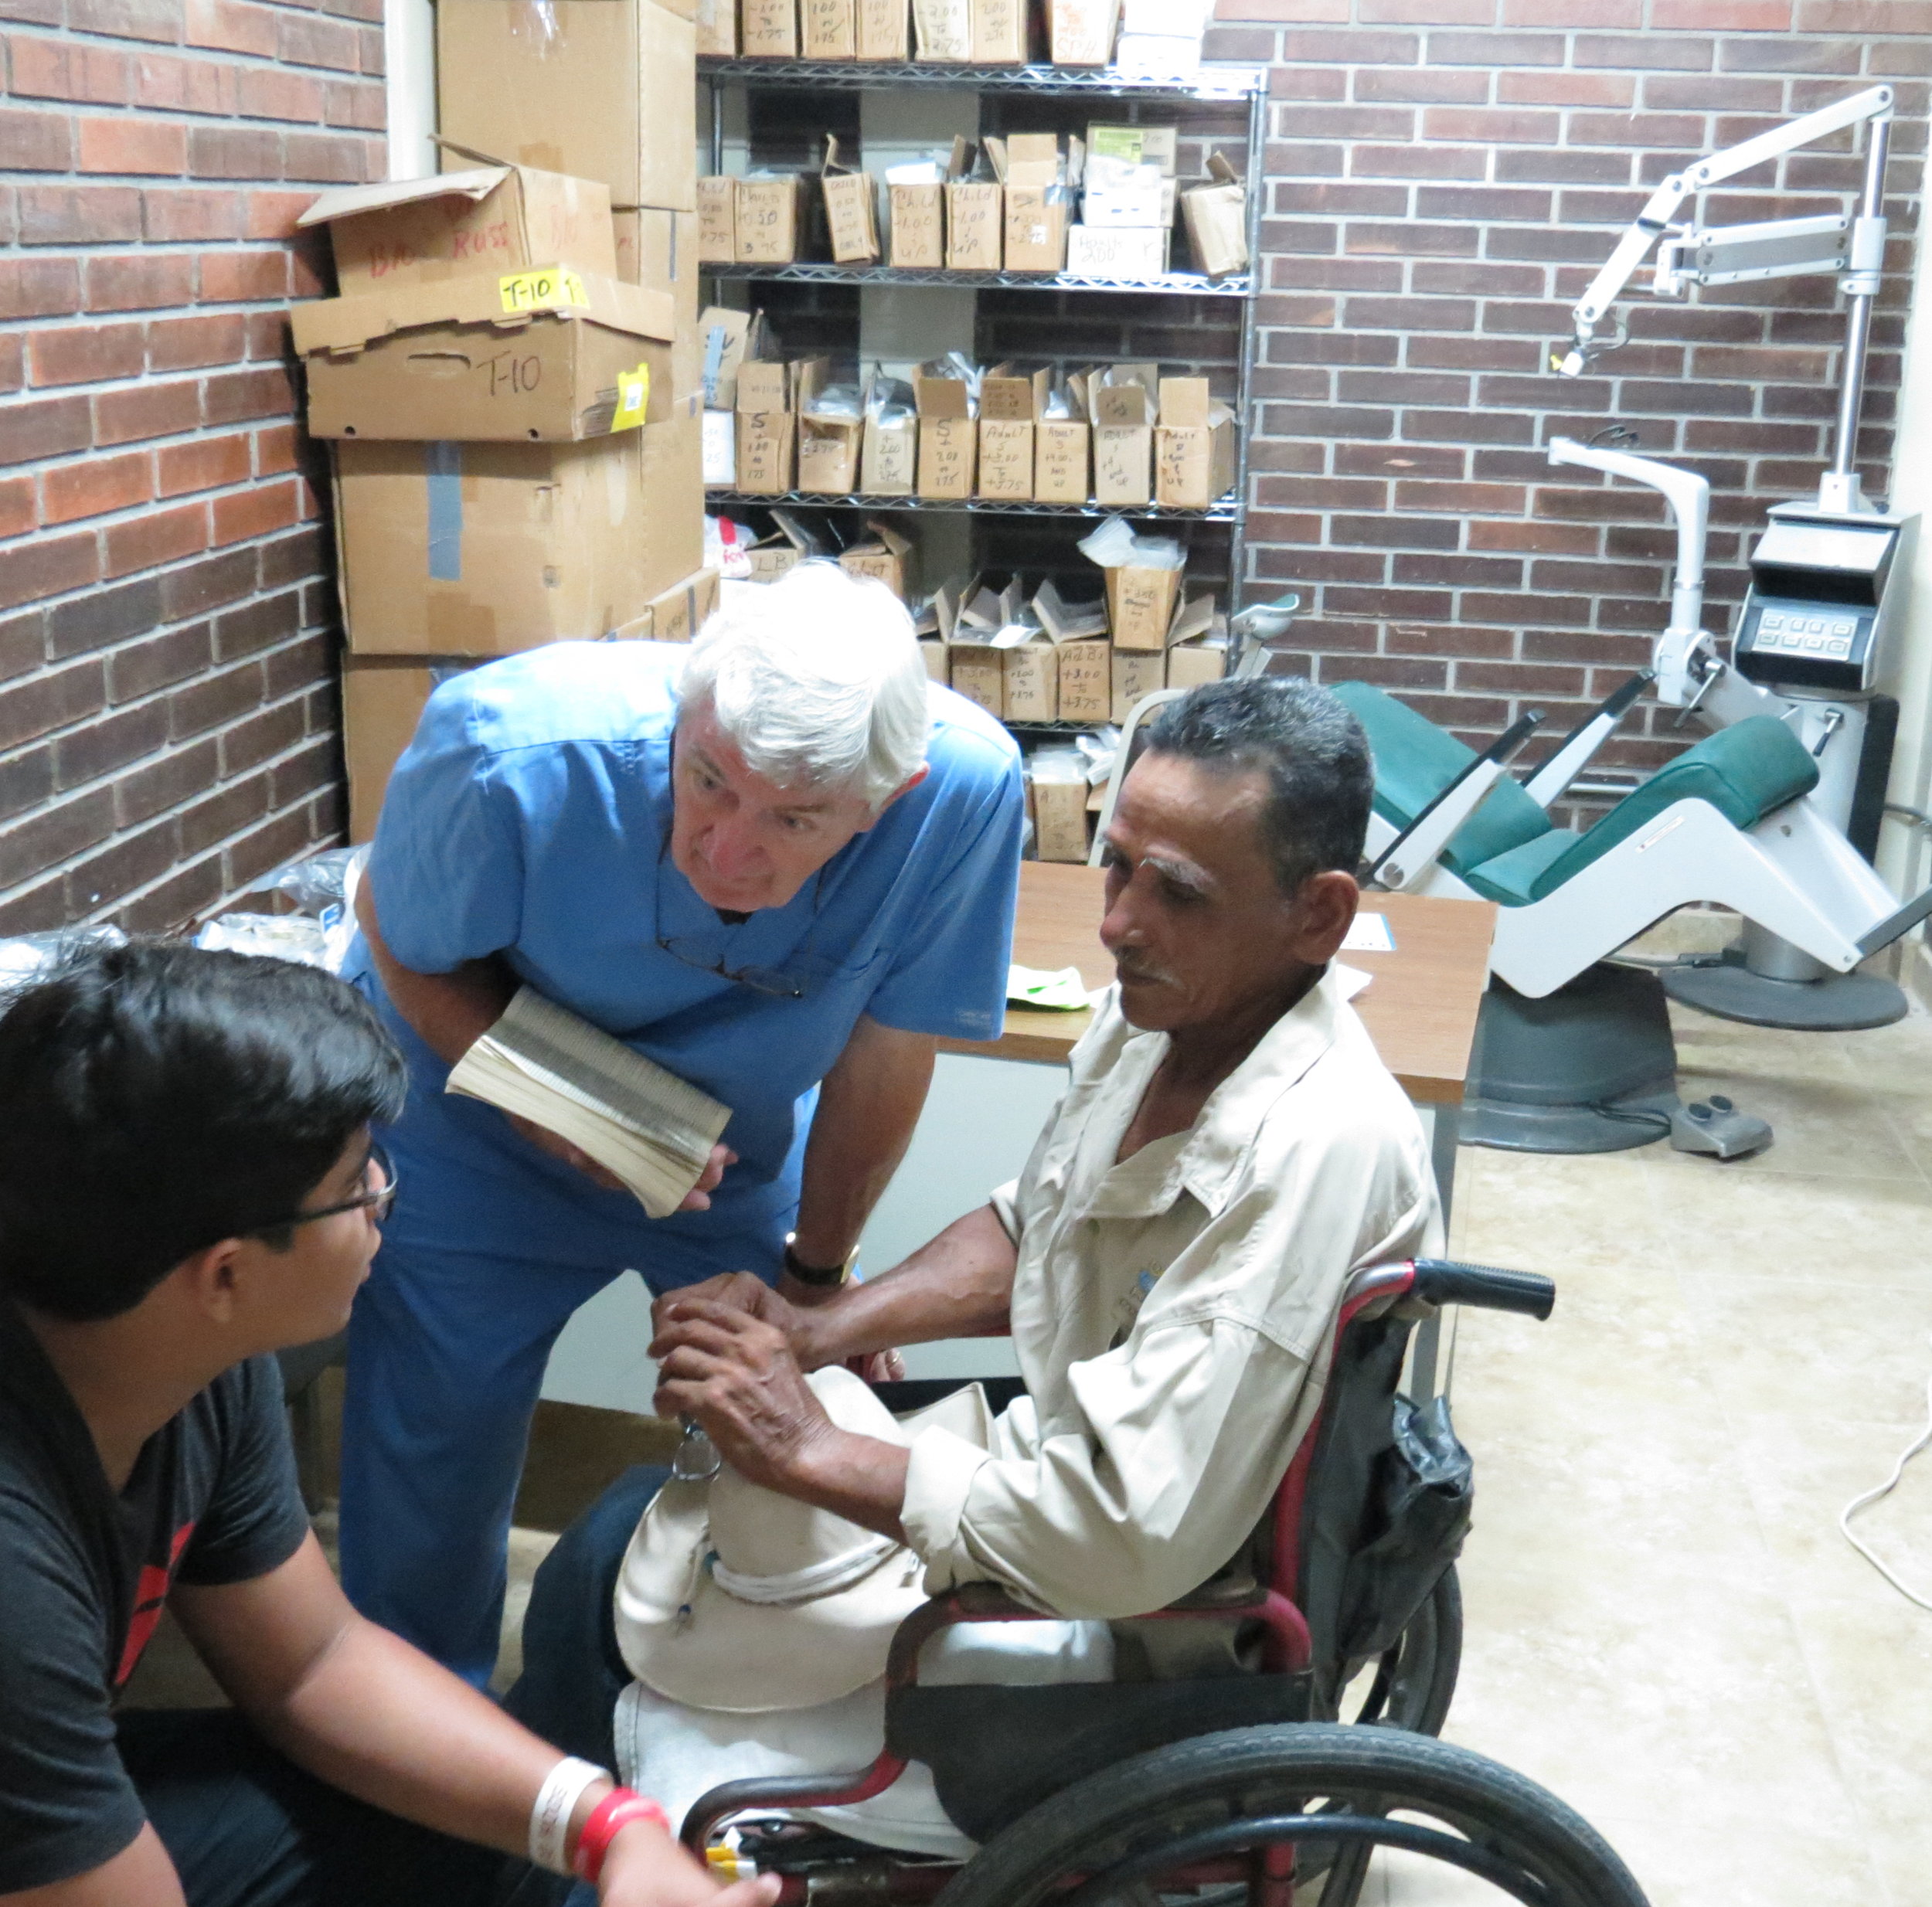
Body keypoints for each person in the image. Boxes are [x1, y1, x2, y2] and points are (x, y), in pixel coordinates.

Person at [504, 678, 1440, 1840]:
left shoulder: (1308, 1155)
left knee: (609, 1620)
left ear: (1319, 914)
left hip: (1138, 1617)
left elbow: (1119, 1537)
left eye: (1179, 893)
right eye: (1118, 866)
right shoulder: (1161, 1021)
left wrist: (807, 1444)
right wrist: (821, 1325)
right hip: (1073, 1488)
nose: (1117, 924)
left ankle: (556, 1855)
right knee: (614, 1537)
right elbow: (1037, 1227)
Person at [338, 565, 1026, 1684]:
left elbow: (886, 1049)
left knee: (802, 1405)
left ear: (888, 797)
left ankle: (754, 1689)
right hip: (477, 1119)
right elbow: (398, 929)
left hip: (728, 1147)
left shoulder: (960, 793)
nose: (726, 852)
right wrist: (544, 1102)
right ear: (684, 719)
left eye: (794, 821)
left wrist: (819, 1277)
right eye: (707, 782)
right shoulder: (507, 745)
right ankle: (417, 1754)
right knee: (432, 1455)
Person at [0, 941, 777, 1907]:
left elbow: (313, 1665)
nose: (383, 1205)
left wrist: (610, 1827)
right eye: (357, 1184)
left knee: (471, 1831)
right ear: (228, 1273)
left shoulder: (183, 1352)